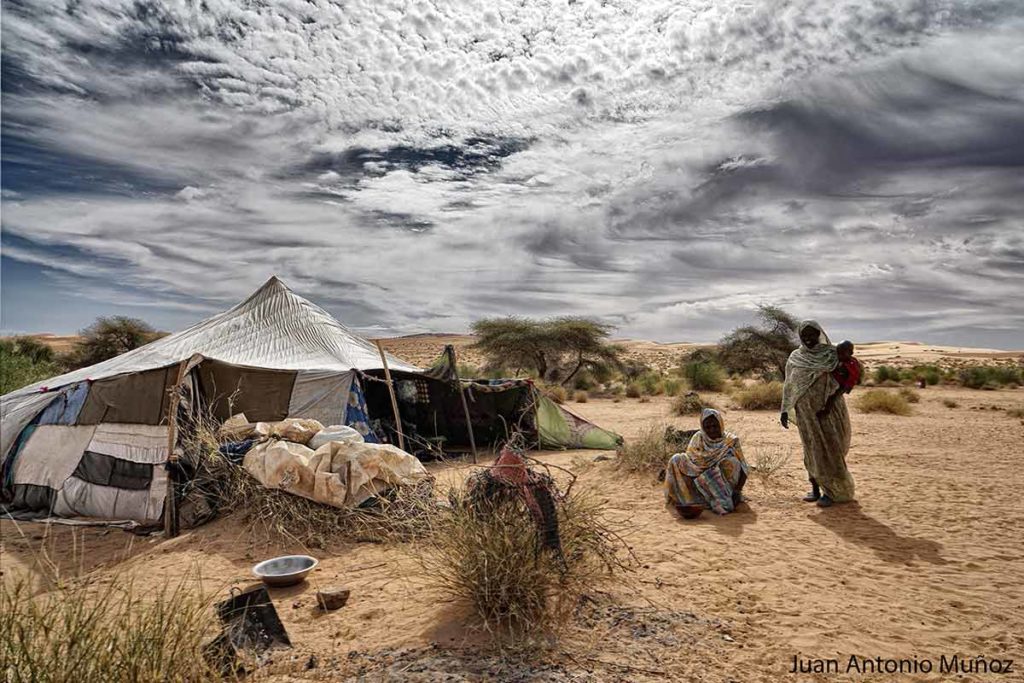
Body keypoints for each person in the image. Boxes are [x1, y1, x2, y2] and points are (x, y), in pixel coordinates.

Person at [780, 320, 855, 508]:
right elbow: (789, 385)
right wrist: (785, 409)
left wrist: (831, 401)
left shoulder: (831, 354)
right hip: (806, 414)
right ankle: (815, 489)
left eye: (812, 335)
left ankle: (832, 492)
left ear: (819, 334)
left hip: (828, 412)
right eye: (804, 336)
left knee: (830, 451)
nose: (808, 339)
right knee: (812, 450)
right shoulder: (796, 357)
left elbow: (850, 375)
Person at [665, 408, 748, 518]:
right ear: (703, 428)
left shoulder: (731, 441)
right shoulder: (698, 438)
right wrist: (704, 474)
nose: (712, 430)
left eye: (715, 426)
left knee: (731, 462)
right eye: (707, 427)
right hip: (698, 480)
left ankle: (722, 500)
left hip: (722, 486)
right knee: (677, 459)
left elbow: (743, 467)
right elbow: (691, 461)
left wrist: (737, 490)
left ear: (721, 424)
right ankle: (691, 498)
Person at [819, 340, 861, 418]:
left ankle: (826, 411)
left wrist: (848, 386)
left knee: (832, 397)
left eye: (843, 353)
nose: (840, 355)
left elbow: (854, 376)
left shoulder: (851, 363)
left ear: (850, 353)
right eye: (838, 353)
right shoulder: (841, 361)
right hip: (837, 382)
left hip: (843, 385)